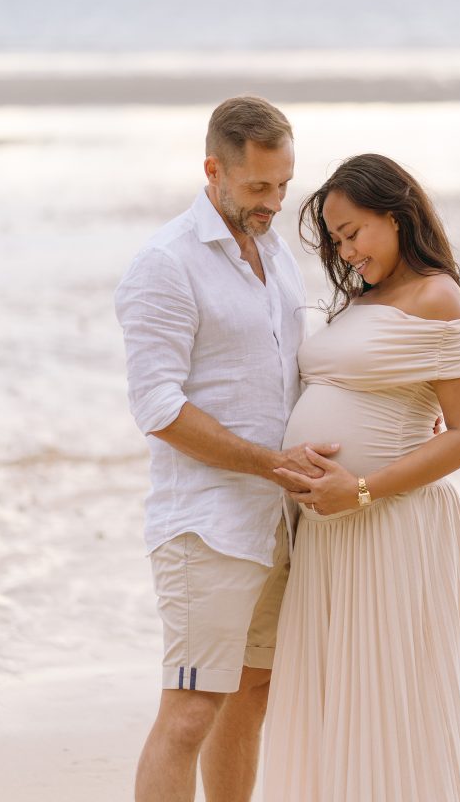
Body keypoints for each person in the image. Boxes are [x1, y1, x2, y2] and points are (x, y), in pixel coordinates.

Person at [263, 153, 460, 802]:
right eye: (335, 241)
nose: (344, 252)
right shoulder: (363, 301)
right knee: (340, 704)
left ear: (397, 215)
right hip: (329, 536)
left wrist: (363, 488)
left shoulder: (437, 296)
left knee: (391, 703)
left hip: (386, 528)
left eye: (352, 233)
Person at [114, 96, 338, 802]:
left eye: (282, 185)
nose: (273, 202)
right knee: (188, 715)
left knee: (251, 695)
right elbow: (157, 408)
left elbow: (300, 370)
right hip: (204, 526)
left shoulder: (275, 253)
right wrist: (269, 462)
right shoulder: (164, 264)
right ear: (213, 170)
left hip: (278, 523)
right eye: (257, 187)